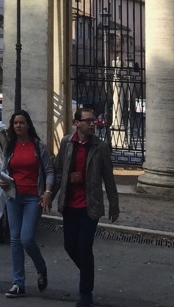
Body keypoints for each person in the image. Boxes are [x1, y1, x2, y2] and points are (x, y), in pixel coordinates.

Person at [48, 107, 119, 307]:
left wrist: (114, 205)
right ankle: (88, 273)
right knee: (69, 245)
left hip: (90, 205)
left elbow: (108, 177)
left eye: (93, 120)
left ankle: (85, 293)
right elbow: (59, 171)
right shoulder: (66, 143)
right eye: (87, 121)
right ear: (76, 124)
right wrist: (49, 195)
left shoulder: (100, 147)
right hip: (69, 204)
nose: (92, 124)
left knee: (84, 247)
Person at [0, 110, 54, 298]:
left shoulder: (38, 146)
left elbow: (49, 171)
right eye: (15, 123)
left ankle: (41, 267)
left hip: (33, 198)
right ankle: (18, 284)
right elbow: (4, 170)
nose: (18, 126)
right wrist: (3, 181)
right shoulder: (10, 147)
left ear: (28, 125)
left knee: (27, 239)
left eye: (22, 122)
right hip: (14, 197)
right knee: (15, 241)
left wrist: (47, 193)